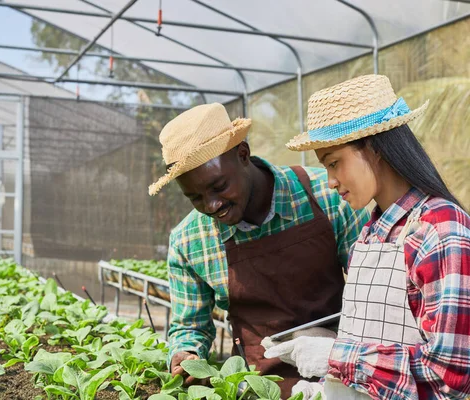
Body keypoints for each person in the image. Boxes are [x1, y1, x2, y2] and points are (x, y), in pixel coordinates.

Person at [264, 74, 470, 399]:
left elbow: (449, 373)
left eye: (334, 163)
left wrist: (335, 358)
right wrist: (326, 346)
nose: (330, 181)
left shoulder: (439, 229)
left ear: (375, 148)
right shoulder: (371, 232)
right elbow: (383, 334)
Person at [148, 102, 369, 394]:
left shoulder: (328, 196)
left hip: (340, 377)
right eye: (195, 198)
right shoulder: (189, 241)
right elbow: (190, 327)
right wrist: (185, 355)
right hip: (260, 387)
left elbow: (373, 293)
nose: (211, 205)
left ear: (243, 155)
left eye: (218, 186)